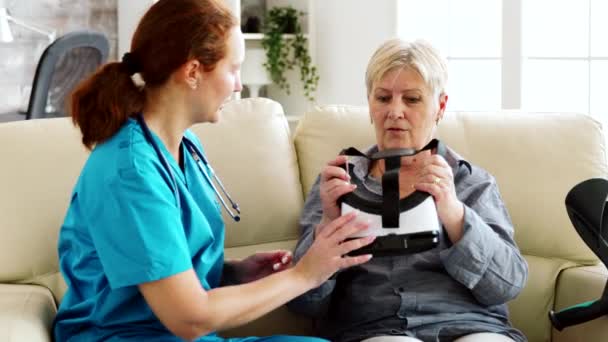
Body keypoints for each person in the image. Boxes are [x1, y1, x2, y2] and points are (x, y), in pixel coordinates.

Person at [52, 0, 376, 340]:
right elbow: (188, 318)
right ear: (193, 71)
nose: (238, 86)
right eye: (233, 69)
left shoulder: (184, 146)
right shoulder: (130, 171)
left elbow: (163, 267)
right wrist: (305, 275)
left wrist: (232, 273)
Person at [287, 39, 529, 342]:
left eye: (412, 99)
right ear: (370, 104)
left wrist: (454, 214)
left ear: (440, 106)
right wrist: (327, 228)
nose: (395, 111)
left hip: (472, 326)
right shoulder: (339, 182)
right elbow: (304, 303)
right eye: (383, 98)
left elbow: (507, 285)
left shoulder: (471, 182)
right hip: (374, 329)